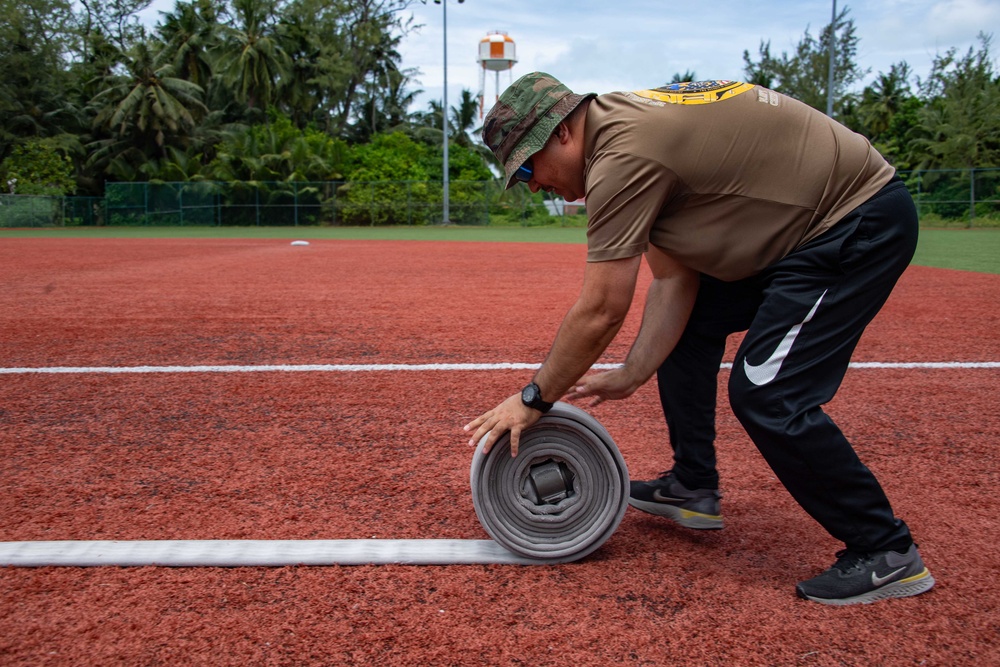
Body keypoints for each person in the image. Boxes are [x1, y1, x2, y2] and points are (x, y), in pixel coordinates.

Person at [463, 72, 935, 606]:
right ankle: (693, 486)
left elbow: (601, 310)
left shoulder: (621, 160)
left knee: (770, 396)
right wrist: (634, 371)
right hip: (796, 235)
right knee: (688, 329)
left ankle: (886, 551)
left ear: (563, 133)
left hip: (853, 224)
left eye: (527, 167)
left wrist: (535, 398)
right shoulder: (617, 134)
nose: (530, 184)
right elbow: (674, 279)